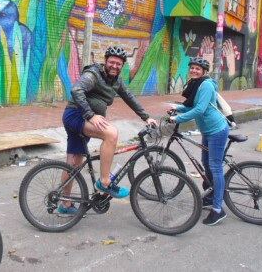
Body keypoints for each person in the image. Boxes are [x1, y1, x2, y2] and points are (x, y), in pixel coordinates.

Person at [59, 46, 157, 215]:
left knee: (74, 164)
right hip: (77, 116)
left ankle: (64, 204)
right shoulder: (93, 74)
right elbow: (76, 90)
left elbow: (129, 97)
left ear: (122, 66)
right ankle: (104, 182)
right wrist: (91, 116)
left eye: (118, 64)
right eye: (112, 62)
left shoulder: (117, 80)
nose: (114, 66)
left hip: (84, 118)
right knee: (111, 133)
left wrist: (146, 117)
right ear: (105, 61)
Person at [168, 56, 230, 226]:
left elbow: (199, 109)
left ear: (204, 71)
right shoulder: (196, 84)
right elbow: (191, 105)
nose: (194, 71)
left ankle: (218, 209)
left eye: (197, 68)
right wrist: (177, 108)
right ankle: (211, 194)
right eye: (192, 68)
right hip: (207, 131)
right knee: (206, 162)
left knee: (215, 166)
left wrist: (178, 119)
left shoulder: (206, 85)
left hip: (217, 130)